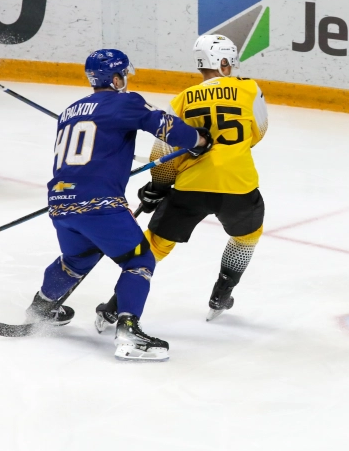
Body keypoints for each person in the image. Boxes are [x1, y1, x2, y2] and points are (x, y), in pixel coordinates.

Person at [21, 49, 210, 362]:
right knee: (140, 262)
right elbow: (170, 129)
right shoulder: (127, 102)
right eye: (125, 75)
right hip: (100, 204)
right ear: (118, 77)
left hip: (60, 202)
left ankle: (40, 310)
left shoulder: (70, 110)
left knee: (76, 260)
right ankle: (128, 333)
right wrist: (198, 140)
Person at [95, 34, 268, 325]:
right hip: (238, 183)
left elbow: (163, 150)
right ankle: (221, 295)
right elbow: (259, 131)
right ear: (224, 63)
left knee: (154, 246)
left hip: (190, 188)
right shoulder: (250, 88)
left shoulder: (184, 98)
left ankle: (115, 307)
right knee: (246, 236)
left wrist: (158, 186)